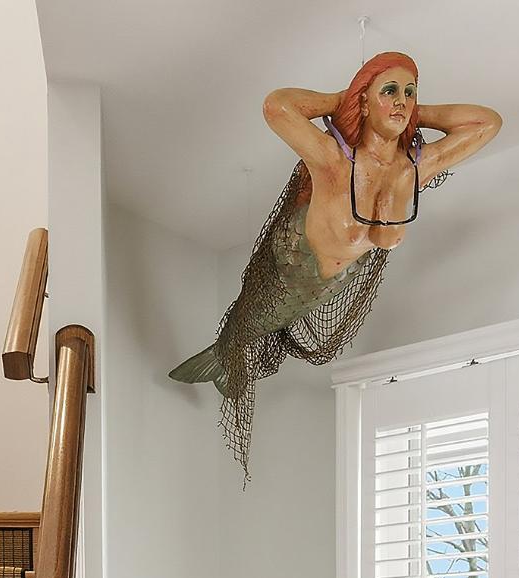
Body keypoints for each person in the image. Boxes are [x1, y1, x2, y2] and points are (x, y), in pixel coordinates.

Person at [171, 52, 500, 478]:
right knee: (252, 321)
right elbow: (277, 106)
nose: (401, 101)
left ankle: (227, 359)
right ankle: (223, 355)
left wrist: (415, 111)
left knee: (272, 324)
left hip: (326, 286)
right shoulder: (333, 160)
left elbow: (487, 124)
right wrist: (345, 98)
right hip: (288, 269)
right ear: (363, 101)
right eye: (389, 92)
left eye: (410, 92)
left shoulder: (416, 167)